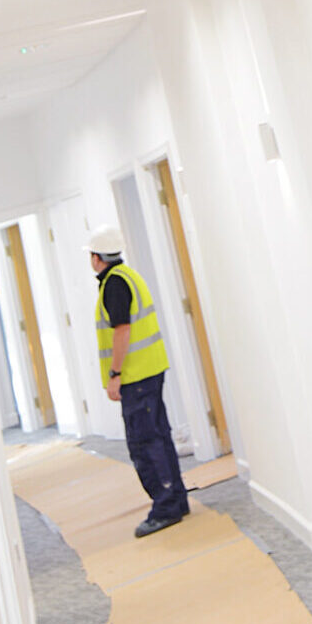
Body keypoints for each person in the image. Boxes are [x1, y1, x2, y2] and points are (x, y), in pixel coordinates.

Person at [86, 226, 189, 537]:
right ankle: (176, 499)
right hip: (149, 370)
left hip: (136, 376)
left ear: (96, 258)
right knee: (158, 436)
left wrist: (115, 375)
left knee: (145, 443)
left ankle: (166, 506)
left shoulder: (114, 285)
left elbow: (122, 331)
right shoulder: (128, 276)